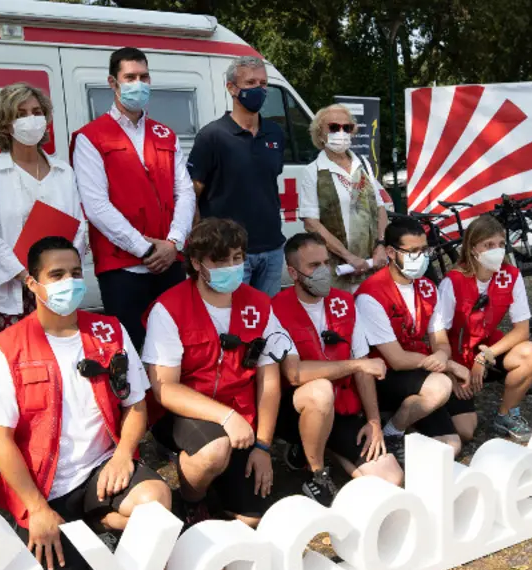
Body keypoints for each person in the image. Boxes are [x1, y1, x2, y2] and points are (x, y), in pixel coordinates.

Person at [0, 237, 171, 570]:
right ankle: (55, 536)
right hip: (42, 490)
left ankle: (95, 526)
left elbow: (136, 405)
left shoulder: (109, 332)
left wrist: (123, 455)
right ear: (33, 284)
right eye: (56, 275)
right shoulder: (6, 347)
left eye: (76, 273)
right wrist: (36, 508)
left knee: (155, 500)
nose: (69, 283)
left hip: (99, 472)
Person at [143, 218, 290, 528]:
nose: (231, 267)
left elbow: (269, 379)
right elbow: (165, 389)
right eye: (220, 260)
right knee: (214, 451)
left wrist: (263, 446)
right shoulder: (169, 308)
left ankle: (216, 481)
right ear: (196, 262)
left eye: (237, 258)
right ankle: (192, 499)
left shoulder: (260, 304)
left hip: (241, 422)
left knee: (251, 519)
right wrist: (225, 417)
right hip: (184, 415)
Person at [72, 47, 197, 349]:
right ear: (112, 83)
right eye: (129, 77)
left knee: (176, 346)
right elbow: (96, 206)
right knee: (131, 348)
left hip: (170, 261)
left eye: (143, 77)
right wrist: (144, 248)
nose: (137, 84)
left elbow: (185, 191)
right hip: (122, 267)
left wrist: (174, 243)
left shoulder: (165, 135)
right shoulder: (91, 137)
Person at [273, 232, 403, 505]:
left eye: (326, 263)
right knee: (320, 392)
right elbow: (294, 374)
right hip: (296, 408)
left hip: (342, 406)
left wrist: (374, 421)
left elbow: (363, 367)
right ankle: (315, 471)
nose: (324, 272)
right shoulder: (276, 309)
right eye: (313, 266)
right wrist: (357, 364)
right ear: (293, 273)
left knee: (391, 478)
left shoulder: (344, 302)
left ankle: (319, 447)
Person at [0, 82, 87, 337]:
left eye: (36, 112)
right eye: (20, 114)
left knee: (59, 360)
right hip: (12, 291)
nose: (31, 119)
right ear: (5, 123)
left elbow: (80, 226)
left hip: (58, 287)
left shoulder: (63, 172)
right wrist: (27, 277)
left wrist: (59, 273)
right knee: (14, 363)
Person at [356, 218, 467, 461]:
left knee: (452, 445)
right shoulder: (371, 294)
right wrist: (447, 364)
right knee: (441, 386)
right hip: (384, 377)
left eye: (424, 249)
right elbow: (396, 360)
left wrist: (441, 355)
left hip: (418, 371)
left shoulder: (427, 287)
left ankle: (407, 425)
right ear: (390, 252)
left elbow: (440, 340)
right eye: (413, 251)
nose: (421, 256)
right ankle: (392, 432)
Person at [438, 214, 532, 443]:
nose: (497, 250)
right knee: (465, 431)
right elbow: (437, 337)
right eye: (489, 245)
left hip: (486, 349)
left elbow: (522, 330)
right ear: (473, 248)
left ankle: (507, 414)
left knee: (531, 353)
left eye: (500, 245)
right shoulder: (452, 282)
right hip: (455, 357)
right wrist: (449, 374)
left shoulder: (511, 276)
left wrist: (485, 357)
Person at [188, 56, 287, 296]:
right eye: (251, 82)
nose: (259, 90)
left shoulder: (275, 133)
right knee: (230, 321)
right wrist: (203, 247)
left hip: (272, 248)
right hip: (228, 255)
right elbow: (192, 194)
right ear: (232, 88)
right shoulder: (211, 136)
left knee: (264, 320)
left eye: (263, 83)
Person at [298, 104, 395, 290]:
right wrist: (348, 256)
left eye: (347, 127)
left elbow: (380, 208)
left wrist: (381, 244)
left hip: (372, 264)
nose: (341, 132)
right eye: (334, 127)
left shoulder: (364, 164)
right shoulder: (313, 172)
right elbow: (311, 223)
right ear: (320, 133)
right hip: (338, 268)